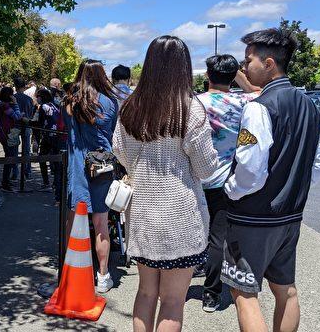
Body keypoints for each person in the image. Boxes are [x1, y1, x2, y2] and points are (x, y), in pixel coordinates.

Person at [222, 28, 320, 332]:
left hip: (253, 216)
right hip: (290, 214)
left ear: (268, 63)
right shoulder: (309, 105)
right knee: (286, 290)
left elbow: (250, 170)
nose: (244, 67)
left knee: (244, 292)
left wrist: (231, 190)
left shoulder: (259, 107)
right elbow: (316, 163)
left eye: (248, 60)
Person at [112, 36, 218, 332]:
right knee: (172, 301)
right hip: (181, 217)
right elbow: (207, 169)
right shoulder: (190, 109)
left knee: (145, 292)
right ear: (183, 67)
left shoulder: (131, 107)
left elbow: (119, 151)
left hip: (143, 213)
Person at [195, 54, 261, 312]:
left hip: (196, 179)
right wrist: (240, 78)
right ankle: (211, 295)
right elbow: (259, 90)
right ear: (232, 76)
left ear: (207, 76)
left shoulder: (194, 103)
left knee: (194, 235)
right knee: (217, 239)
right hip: (225, 180)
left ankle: (178, 282)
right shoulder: (246, 101)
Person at [63, 59, 118, 294]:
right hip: (102, 166)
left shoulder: (70, 102)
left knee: (73, 220)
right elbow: (112, 131)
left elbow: (66, 127)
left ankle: (72, 270)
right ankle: (103, 276)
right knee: (101, 224)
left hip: (77, 165)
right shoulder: (110, 102)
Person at [33, 88, 64, 203]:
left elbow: (40, 123)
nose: (37, 98)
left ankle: (46, 182)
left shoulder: (43, 107)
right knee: (56, 161)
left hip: (47, 136)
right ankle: (56, 183)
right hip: (57, 136)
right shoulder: (56, 105)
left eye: (38, 96)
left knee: (42, 158)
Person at [0, 86, 23, 193]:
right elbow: (16, 116)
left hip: (4, 133)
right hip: (7, 134)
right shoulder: (5, 106)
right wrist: (16, 104)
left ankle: (6, 181)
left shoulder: (1, 105)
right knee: (9, 158)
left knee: (9, 156)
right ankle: (5, 183)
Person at [11, 77, 34, 181]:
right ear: (24, 86)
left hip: (15, 126)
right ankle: (27, 172)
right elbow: (30, 114)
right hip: (26, 125)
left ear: (15, 86)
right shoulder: (29, 99)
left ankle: (15, 173)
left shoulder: (12, 98)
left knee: (14, 151)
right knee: (26, 150)